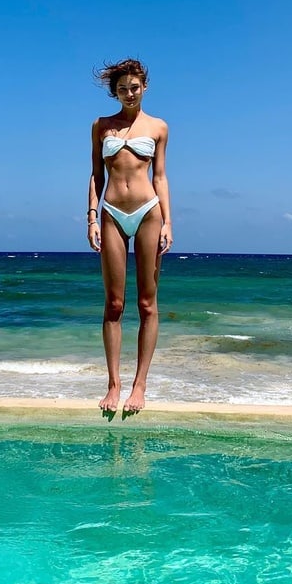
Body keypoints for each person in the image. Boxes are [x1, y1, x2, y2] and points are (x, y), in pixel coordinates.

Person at [87, 58, 172, 414]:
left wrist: (168, 221)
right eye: (122, 89)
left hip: (148, 212)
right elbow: (96, 175)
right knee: (115, 304)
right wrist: (91, 217)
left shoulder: (158, 127)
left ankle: (140, 385)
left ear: (144, 87)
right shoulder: (102, 126)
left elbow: (160, 176)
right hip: (111, 213)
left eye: (134, 87)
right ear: (115, 92)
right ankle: (113, 383)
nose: (129, 93)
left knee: (147, 303)